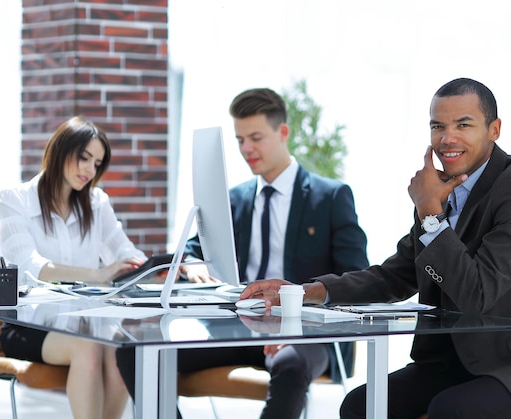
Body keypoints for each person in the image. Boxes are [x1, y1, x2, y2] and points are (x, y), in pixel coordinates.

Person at [240, 78, 511, 418]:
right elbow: (396, 274)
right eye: (437, 126)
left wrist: (430, 214)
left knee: (453, 410)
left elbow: (478, 293)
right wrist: (306, 292)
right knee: (361, 405)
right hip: (461, 361)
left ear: (494, 130)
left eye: (463, 125)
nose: (447, 138)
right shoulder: (444, 188)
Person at [116, 87, 369, 419]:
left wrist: (299, 319)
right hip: (239, 326)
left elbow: (355, 275)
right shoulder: (235, 200)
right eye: (239, 140)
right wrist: (191, 263)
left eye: (255, 137)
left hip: (305, 330)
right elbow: (195, 247)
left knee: (290, 363)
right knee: (135, 352)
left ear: (283, 133)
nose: (246, 149)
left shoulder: (330, 196)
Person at [0, 116, 147, 419]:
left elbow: (124, 249)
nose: (89, 170)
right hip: (29, 326)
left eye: (96, 163)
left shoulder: (96, 202)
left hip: (87, 323)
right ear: (60, 151)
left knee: (122, 349)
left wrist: (163, 267)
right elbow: (30, 266)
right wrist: (96, 275)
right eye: (84, 158)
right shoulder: (14, 200)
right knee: (89, 347)